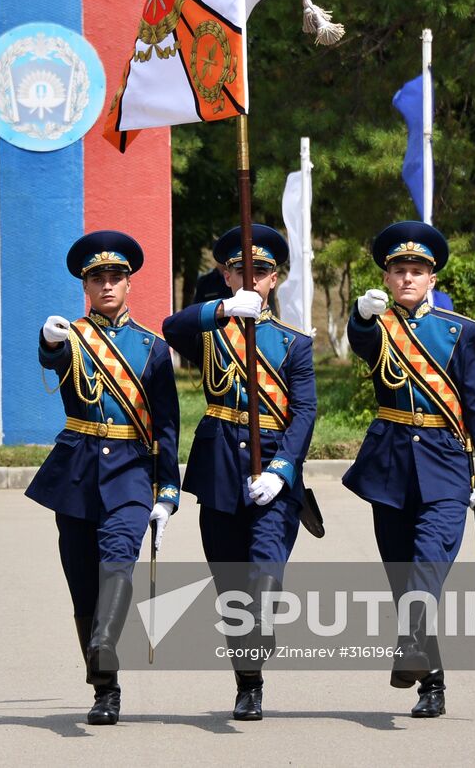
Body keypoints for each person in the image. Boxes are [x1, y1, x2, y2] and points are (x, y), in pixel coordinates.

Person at [344, 221, 475, 719]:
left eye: (417, 271)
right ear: (387, 278)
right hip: (390, 466)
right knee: (404, 581)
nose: (408, 278)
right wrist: (360, 317)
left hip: (445, 464)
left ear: (432, 278)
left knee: (426, 566)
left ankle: (412, 651)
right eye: (399, 270)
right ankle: (432, 681)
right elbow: (362, 344)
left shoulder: (459, 331)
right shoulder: (378, 324)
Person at [162, 224, 316, 721]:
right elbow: (171, 328)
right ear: (227, 277)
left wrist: (282, 470)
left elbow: (305, 412)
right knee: (230, 587)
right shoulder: (211, 333)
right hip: (219, 472)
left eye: (261, 271)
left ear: (274, 279)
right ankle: (248, 683)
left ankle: (263, 626)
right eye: (240, 271)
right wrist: (224, 310)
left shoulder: (293, 343)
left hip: (272, 470)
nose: (251, 278)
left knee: (264, 573)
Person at [27, 230, 180, 727]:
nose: (107, 285)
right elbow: (51, 359)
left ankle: (105, 640)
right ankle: (105, 689)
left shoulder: (152, 348)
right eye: (98, 278)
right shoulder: (71, 336)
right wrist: (49, 341)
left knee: (118, 557)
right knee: (82, 586)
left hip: (131, 470)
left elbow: (166, 425)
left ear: (129, 284)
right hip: (77, 471)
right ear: (85, 286)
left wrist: (167, 491)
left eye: (115, 277)